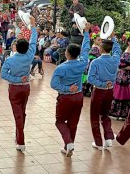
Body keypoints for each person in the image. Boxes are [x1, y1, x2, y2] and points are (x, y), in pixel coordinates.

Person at [50, 22, 90, 157]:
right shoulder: (82, 63)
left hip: (65, 97)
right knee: (73, 123)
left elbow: (54, 84)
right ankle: (68, 146)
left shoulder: (61, 68)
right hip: (78, 96)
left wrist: (66, 88)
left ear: (67, 53)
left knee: (60, 121)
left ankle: (69, 143)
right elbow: (85, 49)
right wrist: (86, 32)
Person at [1, 16, 37, 152]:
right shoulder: (29, 56)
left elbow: (4, 74)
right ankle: (18, 134)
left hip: (15, 89)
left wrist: (16, 80)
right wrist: (33, 26)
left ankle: (21, 140)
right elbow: (33, 41)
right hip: (26, 87)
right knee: (22, 112)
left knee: (18, 114)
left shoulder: (10, 60)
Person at [87, 33, 121, 150]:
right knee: (105, 115)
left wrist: (101, 84)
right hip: (110, 91)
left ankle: (98, 142)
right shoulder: (115, 59)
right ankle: (108, 138)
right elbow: (117, 49)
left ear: (100, 49)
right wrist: (113, 38)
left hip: (99, 91)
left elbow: (90, 78)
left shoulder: (95, 62)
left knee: (94, 116)